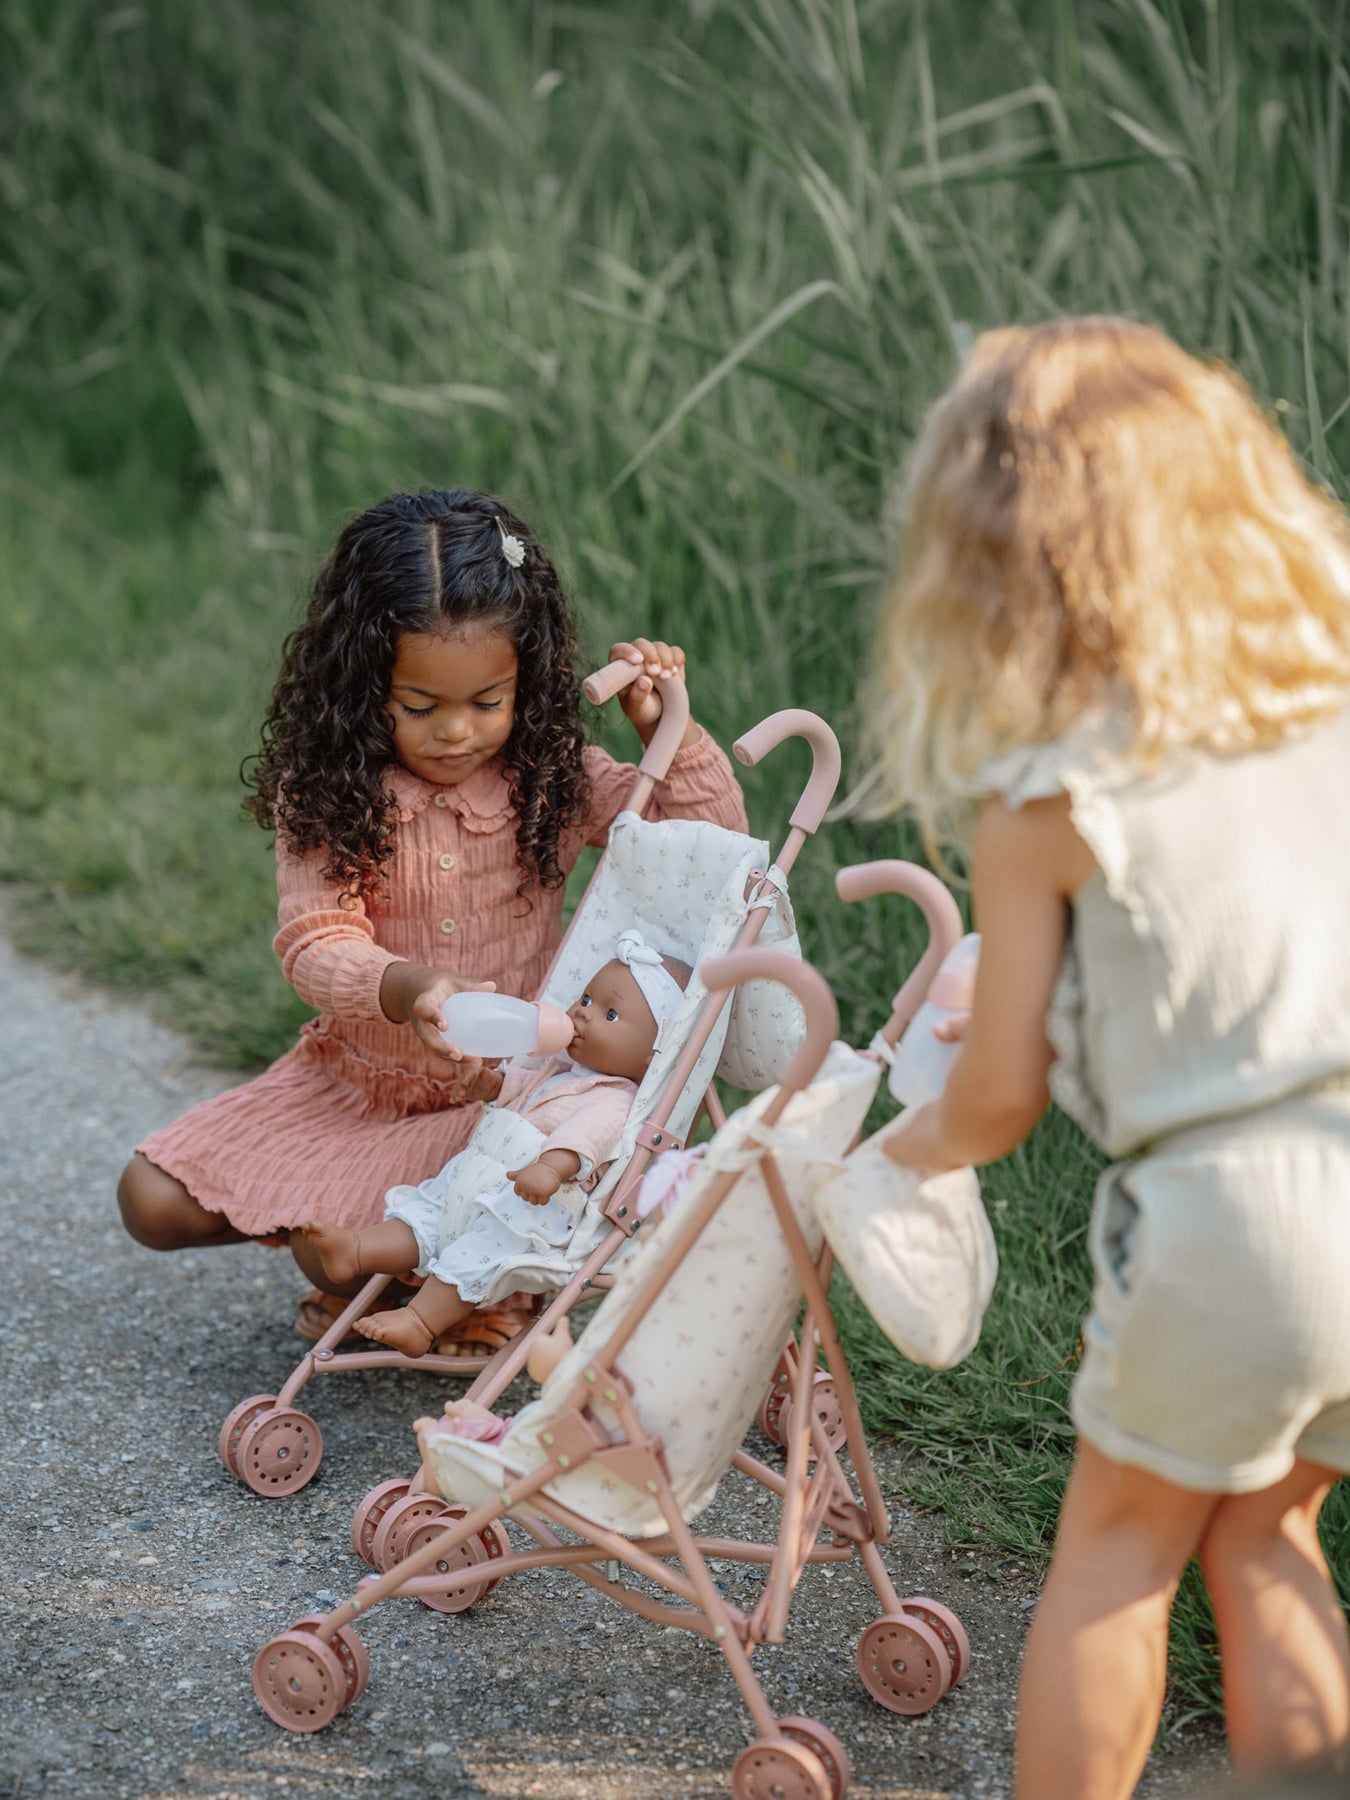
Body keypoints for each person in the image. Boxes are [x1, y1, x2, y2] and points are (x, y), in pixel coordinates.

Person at [863, 318, 1350, 1796]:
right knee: (1267, 1536)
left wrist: (907, 1153)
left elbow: (999, 1095)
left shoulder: (1052, 797)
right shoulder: (1323, 713)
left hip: (1226, 1223)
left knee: (1118, 1560)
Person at [116, 487, 745, 1348]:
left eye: (488, 702)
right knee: (150, 1201)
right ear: (360, 682)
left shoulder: (547, 777)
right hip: (359, 1081)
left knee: (325, 1245)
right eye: (420, 707)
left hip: (503, 1098)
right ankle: (423, 1265)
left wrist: (669, 734)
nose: (458, 732)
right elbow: (314, 939)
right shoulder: (334, 791)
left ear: (528, 678)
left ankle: (436, 1270)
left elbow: (712, 859)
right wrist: (406, 986)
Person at [293, 929, 690, 1355]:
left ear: (655, 1053)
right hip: (481, 1177)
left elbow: (584, 1141)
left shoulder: (615, 1099)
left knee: (478, 1255)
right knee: (426, 1216)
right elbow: (514, 1086)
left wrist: (551, 1167)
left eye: (610, 1015)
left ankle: (420, 1321)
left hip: (530, 1209)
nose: (584, 1015)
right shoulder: (555, 1069)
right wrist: (489, 1083)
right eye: (587, 1000)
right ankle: (356, 1251)